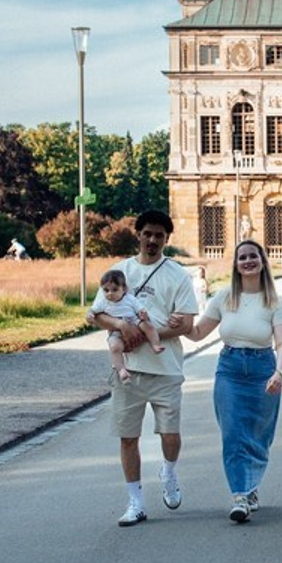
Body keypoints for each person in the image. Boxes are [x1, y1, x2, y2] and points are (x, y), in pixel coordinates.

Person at [87, 210, 197, 528]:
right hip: (128, 370)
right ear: (138, 234)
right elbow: (95, 314)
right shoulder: (120, 271)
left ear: (167, 239)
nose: (152, 240)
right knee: (127, 437)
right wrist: (122, 324)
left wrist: (148, 334)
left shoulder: (176, 275)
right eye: (147, 233)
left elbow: (187, 322)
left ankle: (169, 470)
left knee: (171, 434)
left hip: (165, 367)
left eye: (159, 235)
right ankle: (135, 501)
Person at [190, 240, 282, 524]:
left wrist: (279, 373)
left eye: (253, 256)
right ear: (235, 264)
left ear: (262, 261)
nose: (247, 261)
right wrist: (179, 322)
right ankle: (240, 495)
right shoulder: (223, 297)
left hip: (263, 369)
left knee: (259, 435)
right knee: (233, 432)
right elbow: (197, 333)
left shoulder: (274, 301)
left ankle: (250, 486)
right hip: (230, 369)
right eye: (242, 257)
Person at [90, 268, 165, 382]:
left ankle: (155, 344)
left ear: (124, 289)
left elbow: (140, 309)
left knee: (148, 326)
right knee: (114, 347)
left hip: (133, 320)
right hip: (115, 329)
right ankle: (121, 370)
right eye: (106, 290)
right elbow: (93, 311)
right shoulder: (103, 303)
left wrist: (143, 315)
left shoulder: (130, 299)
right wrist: (89, 315)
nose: (110, 293)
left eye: (115, 290)